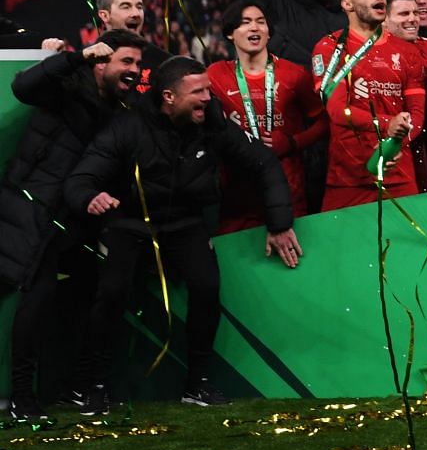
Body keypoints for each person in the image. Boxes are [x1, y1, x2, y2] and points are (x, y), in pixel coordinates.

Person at [66, 56, 302, 411]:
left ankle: (198, 384)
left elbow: (263, 162)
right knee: (111, 292)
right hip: (129, 222)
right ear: (169, 97)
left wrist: (280, 222)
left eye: (208, 88)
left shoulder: (214, 123)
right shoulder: (127, 127)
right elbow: (81, 178)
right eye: (199, 91)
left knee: (206, 286)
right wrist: (91, 197)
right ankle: (94, 384)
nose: (209, 97)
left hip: (185, 222)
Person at [0, 32, 144, 423]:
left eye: (137, 64)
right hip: (29, 209)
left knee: (80, 292)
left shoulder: (121, 111)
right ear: (101, 62)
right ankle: (22, 396)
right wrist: (72, 57)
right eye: (125, 62)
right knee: (37, 296)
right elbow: (22, 86)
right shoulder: (67, 83)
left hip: (68, 219)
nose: (133, 71)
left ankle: (62, 387)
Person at [312, 0, 427, 208]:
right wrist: (388, 125)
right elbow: (336, 111)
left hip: (399, 179)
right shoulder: (330, 48)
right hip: (347, 181)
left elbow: (416, 114)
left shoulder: (407, 51)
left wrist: (392, 144)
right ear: (347, 4)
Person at [205, 1, 323, 234]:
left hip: (290, 193)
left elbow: (324, 122)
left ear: (269, 32)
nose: (255, 28)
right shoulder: (215, 75)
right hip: (238, 197)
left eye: (261, 22)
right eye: (245, 22)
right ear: (230, 33)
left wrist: (292, 143)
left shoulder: (295, 74)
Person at [38, 0, 147, 55]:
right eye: (126, 7)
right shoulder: (86, 62)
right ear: (104, 16)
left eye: (139, 7)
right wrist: (49, 61)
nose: (136, 13)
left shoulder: (159, 62)